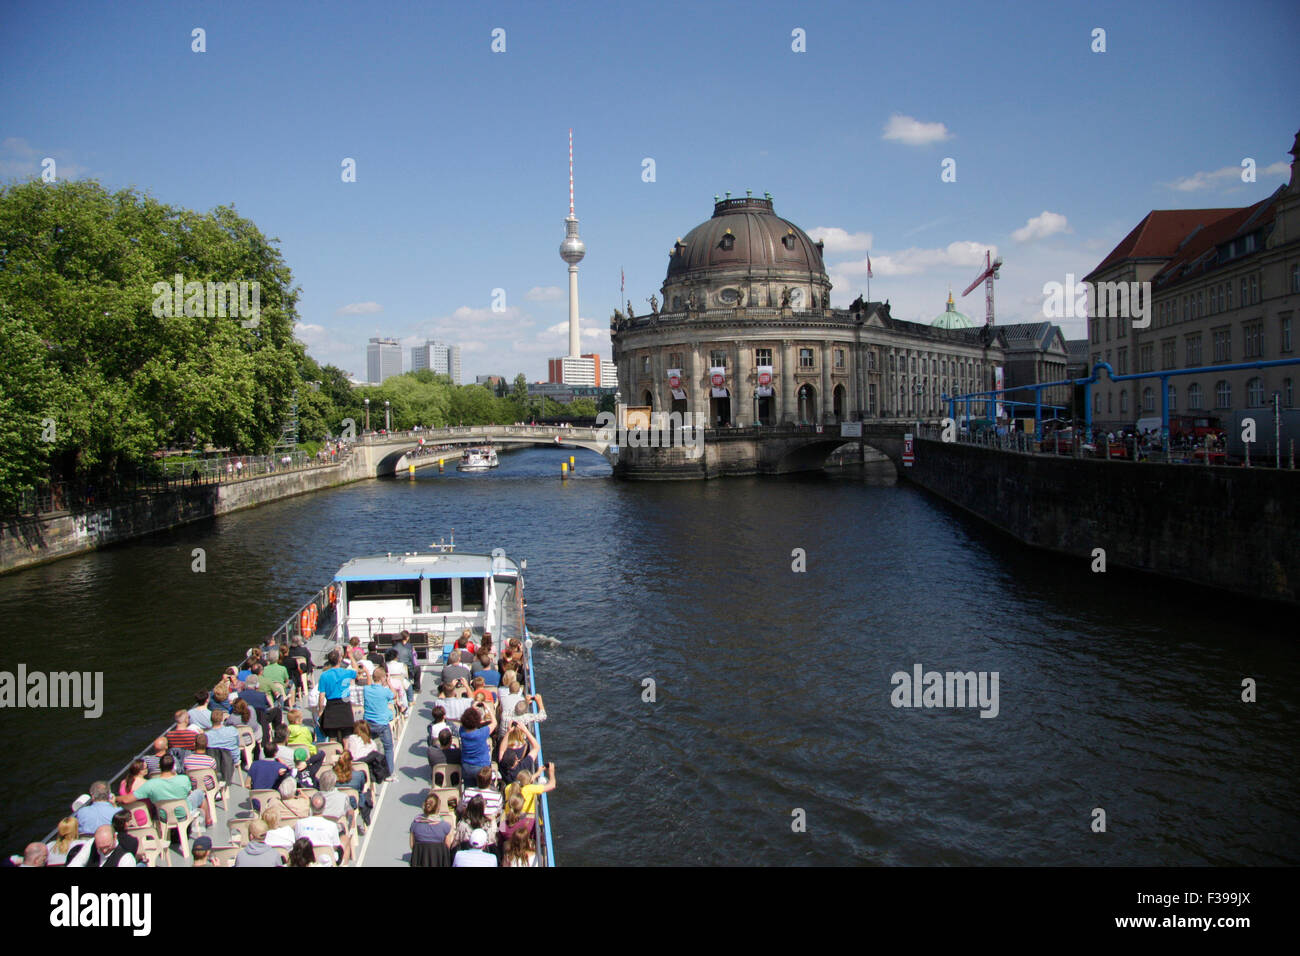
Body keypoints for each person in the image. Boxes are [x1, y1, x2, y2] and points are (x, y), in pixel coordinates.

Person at [119, 753, 209, 827]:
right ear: (173, 766)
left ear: (159, 766)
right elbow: (188, 793)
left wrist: (115, 798)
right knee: (199, 793)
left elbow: (126, 799)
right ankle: (208, 821)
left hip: (164, 817)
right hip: (184, 814)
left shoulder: (150, 784)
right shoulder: (184, 779)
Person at [362, 666, 398, 776]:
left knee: (369, 747)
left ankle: (370, 771)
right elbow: (394, 695)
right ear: (383, 678)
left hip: (368, 723)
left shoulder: (366, 690)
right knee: (388, 748)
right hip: (382, 724)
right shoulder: (385, 691)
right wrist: (389, 683)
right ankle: (390, 773)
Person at [295, 793, 348, 865]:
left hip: (305, 862)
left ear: (310, 806)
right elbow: (335, 847)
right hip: (326, 862)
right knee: (344, 840)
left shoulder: (299, 823)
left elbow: (297, 842)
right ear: (324, 807)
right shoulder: (332, 826)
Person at [318, 650, 358, 741]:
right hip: (344, 703)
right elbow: (356, 669)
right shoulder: (345, 672)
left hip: (331, 705)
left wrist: (320, 710)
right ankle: (346, 753)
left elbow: (322, 695)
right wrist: (351, 656)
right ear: (340, 659)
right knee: (346, 737)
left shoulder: (324, 675)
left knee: (332, 737)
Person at [409, 793, 455, 866]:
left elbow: (412, 845)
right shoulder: (445, 826)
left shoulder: (415, 824)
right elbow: (447, 847)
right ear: (438, 808)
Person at [458, 701, 496, 783]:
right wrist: (488, 709)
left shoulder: (462, 731)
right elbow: (494, 723)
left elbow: (467, 720)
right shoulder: (482, 733)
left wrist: (472, 708)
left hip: (466, 767)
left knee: (469, 789)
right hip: (482, 767)